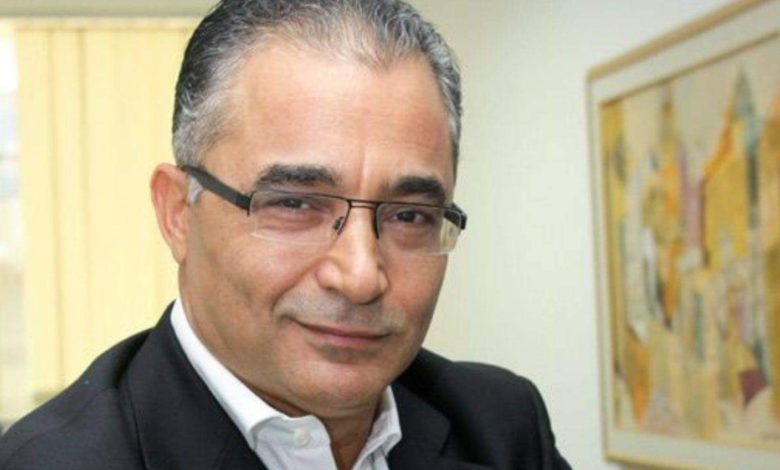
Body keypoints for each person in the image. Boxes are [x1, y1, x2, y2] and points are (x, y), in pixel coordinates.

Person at [0, 1, 570, 469]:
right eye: (294, 204)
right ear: (177, 213)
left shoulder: (501, 426)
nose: (360, 276)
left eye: (408, 216)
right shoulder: (56, 461)